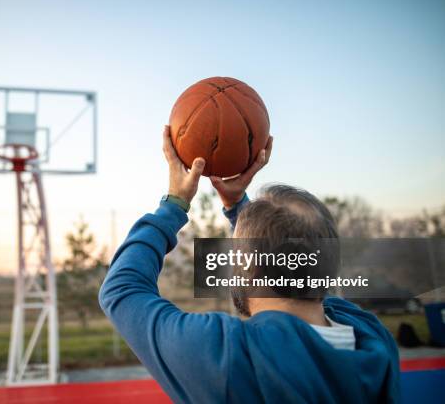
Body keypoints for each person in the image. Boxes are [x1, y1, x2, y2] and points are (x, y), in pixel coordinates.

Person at [99, 126, 399, 403]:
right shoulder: (373, 337)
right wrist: (238, 207)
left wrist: (174, 204)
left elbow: (121, 290)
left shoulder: (226, 354)